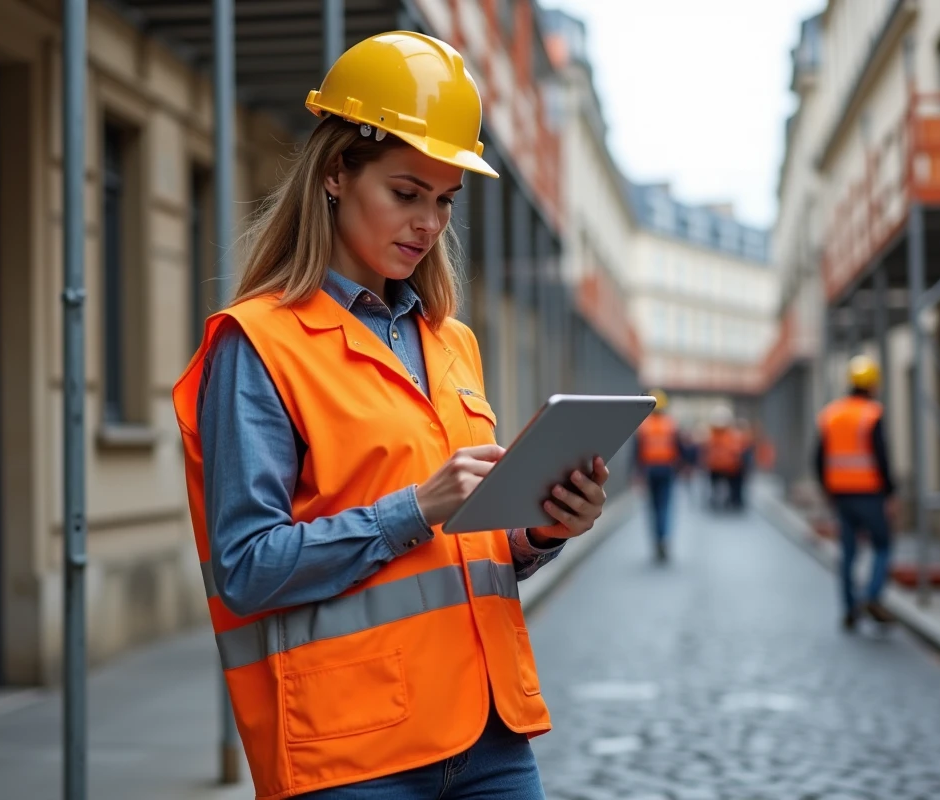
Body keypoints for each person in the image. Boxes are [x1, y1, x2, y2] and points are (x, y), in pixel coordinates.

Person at [171, 32, 611, 800]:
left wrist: (540, 529)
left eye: (444, 201)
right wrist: (415, 508)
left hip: (491, 734)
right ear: (337, 173)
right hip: (355, 752)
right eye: (406, 194)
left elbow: (468, 550)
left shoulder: (452, 344)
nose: (428, 223)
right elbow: (245, 569)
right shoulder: (260, 344)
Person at [814, 355, 898, 631]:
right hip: (870, 492)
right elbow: (881, 456)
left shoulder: (831, 414)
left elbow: (818, 457)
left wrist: (827, 489)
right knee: (882, 545)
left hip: (841, 495)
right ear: (873, 384)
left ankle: (850, 607)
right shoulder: (872, 413)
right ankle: (871, 596)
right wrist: (891, 491)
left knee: (848, 553)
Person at [634, 388, 682, 562]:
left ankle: (656, 540)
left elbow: (636, 452)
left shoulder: (644, 426)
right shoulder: (671, 424)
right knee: (665, 506)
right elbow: (679, 449)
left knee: (653, 507)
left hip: (649, 470)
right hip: (667, 469)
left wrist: (636, 474)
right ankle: (663, 538)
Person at [705, 406, 742, 511]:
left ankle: (731, 500)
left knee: (728, 485)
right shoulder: (715, 435)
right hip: (722, 467)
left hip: (727, 467)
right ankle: (730, 500)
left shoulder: (726, 435)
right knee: (719, 485)